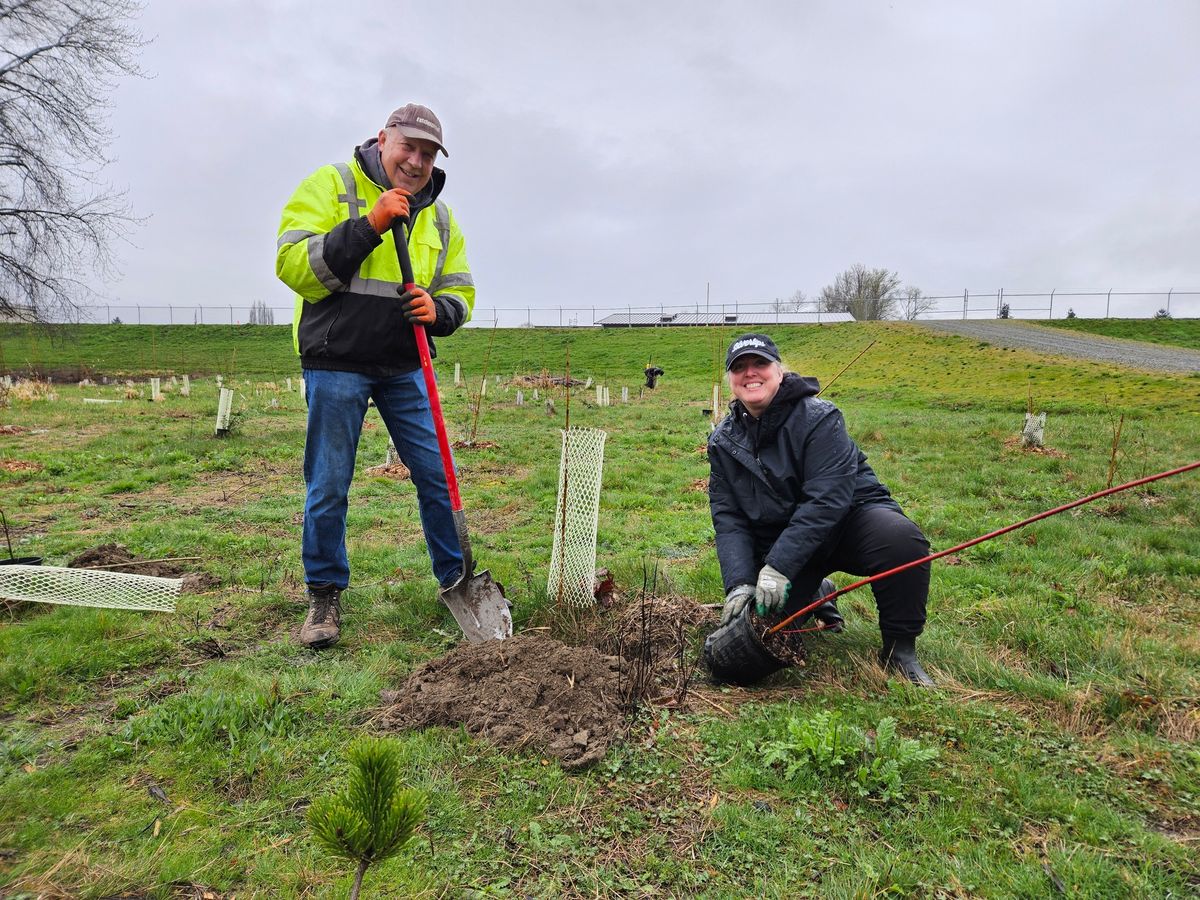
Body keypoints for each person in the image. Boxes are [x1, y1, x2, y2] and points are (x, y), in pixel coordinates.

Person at [275, 103, 474, 648]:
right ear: (381, 139)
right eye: (407, 147)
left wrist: (441, 310)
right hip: (336, 359)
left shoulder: (442, 216)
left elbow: (461, 288)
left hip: (406, 363)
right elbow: (295, 267)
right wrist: (371, 225)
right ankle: (324, 594)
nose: (416, 161)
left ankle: (456, 580)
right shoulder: (330, 184)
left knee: (437, 472)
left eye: (428, 153)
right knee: (330, 482)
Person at [707, 333, 934, 685]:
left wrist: (779, 566)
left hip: (849, 522)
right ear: (731, 380)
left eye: (760, 364)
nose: (750, 373)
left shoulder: (820, 417)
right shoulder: (723, 442)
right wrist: (739, 583)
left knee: (901, 541)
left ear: (779, 371)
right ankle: (817, 592)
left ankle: (899, 651)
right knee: (758, 635)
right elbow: (729, 519)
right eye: (739, 368)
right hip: (788, 542)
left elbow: (827, 499)